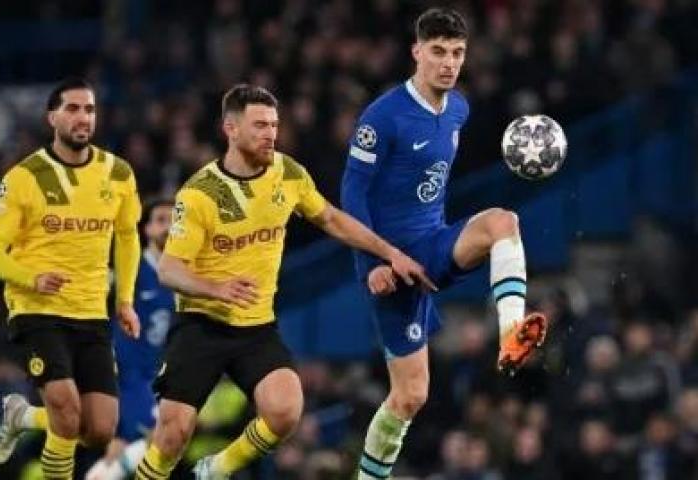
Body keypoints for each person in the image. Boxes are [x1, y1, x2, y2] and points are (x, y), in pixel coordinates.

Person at [132, 83, 435, 480]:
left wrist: (389, 252)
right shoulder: (200, 193)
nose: (270, 134)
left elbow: (330, 218)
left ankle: (217, 469)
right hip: (201, 326)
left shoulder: (287, 173)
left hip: (256, 327)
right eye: (259, 125)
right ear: (231, 129)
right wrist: (216, 289)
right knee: (172, 436)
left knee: (285, 410)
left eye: (273, 125)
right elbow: (170, 268)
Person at [340, 8, 548, 479]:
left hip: (434, 243)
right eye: (438, 52)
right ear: (417, 52)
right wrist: (371, 264)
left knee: (503, 222)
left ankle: (512, 332)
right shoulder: (383, 117)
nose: (448, 62)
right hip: (392, 267)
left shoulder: (459, 108)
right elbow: (352, 194)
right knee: (410, 397)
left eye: (457, 53)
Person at [0, 77, 142, 480]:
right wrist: (30, 277)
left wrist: (125, 300)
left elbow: (127, 236)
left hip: (90, 311)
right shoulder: (24, 177)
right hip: (36, 309)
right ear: (52, 117)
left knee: (99, 430)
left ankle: (22, 416)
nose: (82, 117)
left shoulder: (117, 173)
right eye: (72, 109)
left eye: (89, 109)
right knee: (66, 411)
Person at [85, 199, 176, 479]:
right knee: (159, 439)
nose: (170, 227)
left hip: (152, 376)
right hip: (124, 373)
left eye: (175, 221)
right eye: (161, 220)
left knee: (137, 447)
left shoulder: (183, 277)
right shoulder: (130, 269)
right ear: (146, 229)